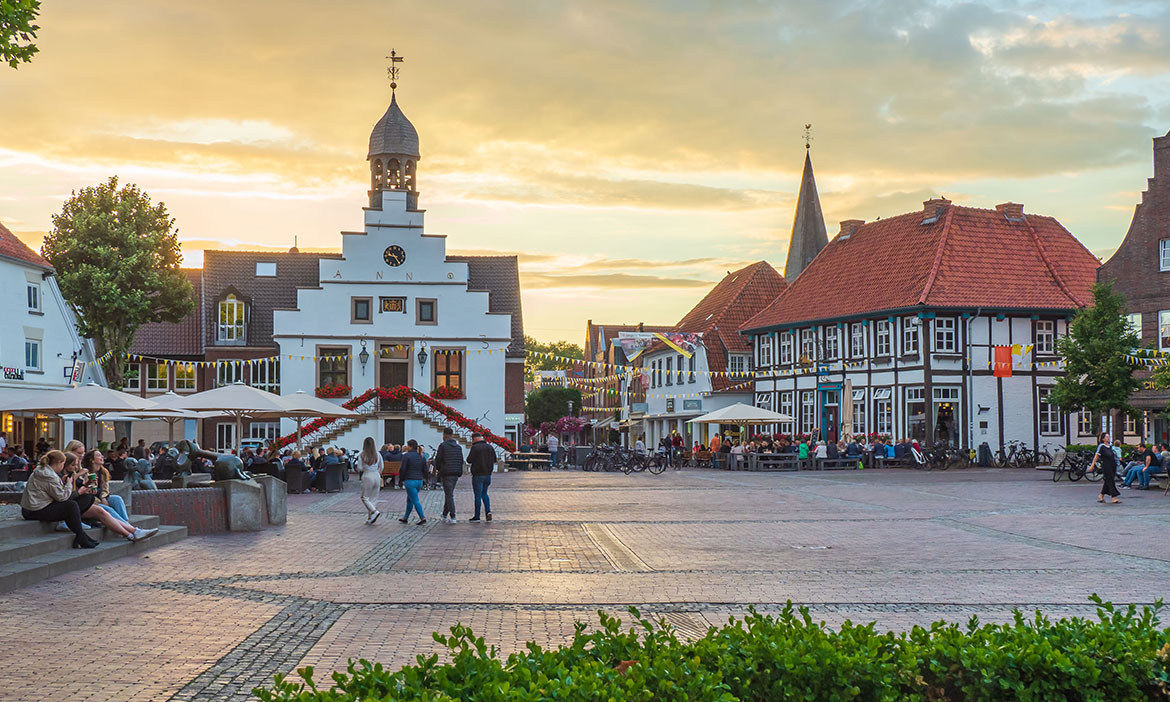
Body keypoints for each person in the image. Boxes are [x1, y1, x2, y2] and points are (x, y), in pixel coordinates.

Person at [83, 450, 131, 523]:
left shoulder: (103, 472)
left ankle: (126, 521)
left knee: (117, 499)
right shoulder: (86, 473)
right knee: (108, 509)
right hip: (92, 500)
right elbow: (88, 491)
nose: (102, 457)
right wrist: (100, 500)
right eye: (99, 455)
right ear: (91, 460)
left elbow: (105, 489)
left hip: (102, 497)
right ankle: (126, 526)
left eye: (102, 455)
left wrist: (103, 498)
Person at [434, 429, 464, 524]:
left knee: (449, 494)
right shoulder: (458, 447)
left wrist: (439, 469)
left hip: (446, 473)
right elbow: (461, 460)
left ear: (445, 435)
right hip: (455, 473)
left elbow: (438, 460)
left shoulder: (443, 446)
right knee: (449, 493)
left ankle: (453, 515)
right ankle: (444, 514)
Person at [398, 439, 427, 524]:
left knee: (415, 500)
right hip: (419, 481)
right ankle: (405, 517)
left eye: (407, 445)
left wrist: (401, 479)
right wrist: (425, 478)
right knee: (410, 499)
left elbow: (403, 469)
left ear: (410, 446)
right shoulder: (421, 456)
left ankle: (422, 517)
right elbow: (425, 469)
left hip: (410, 480)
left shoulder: (406, 456)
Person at [467, 432, 495, 522]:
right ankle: (488, 511)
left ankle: (477, 516)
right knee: (485, 494)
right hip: (488, 474)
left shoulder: (475, 448)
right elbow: (494, 459)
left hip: (478, 474)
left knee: (478, 495)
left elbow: (469, 460)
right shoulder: (490, 447)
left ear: (474, 439)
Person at [1088, 431, 1121, 504]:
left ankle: (1101, 495)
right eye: (1107, 437)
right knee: (1110, 481)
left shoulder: (1111, 447)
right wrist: (1092, 465)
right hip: (1106, 466)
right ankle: (1114, 497)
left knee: (1108, 481)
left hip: (1112, 465)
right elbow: (1096, 456)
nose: (1108, 438)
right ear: (1103, 439)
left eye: (1109, 437)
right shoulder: (1101, 447)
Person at [356, 437, 382, 525]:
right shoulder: (377, 454)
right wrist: (378, 472)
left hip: (367, 475)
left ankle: (374, 512)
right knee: (373, 498)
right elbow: (382, 466)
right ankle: (371, 517)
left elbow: (359, 468)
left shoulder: (361, 454)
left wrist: (364, 468)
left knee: (365, 497)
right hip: (377, 475)